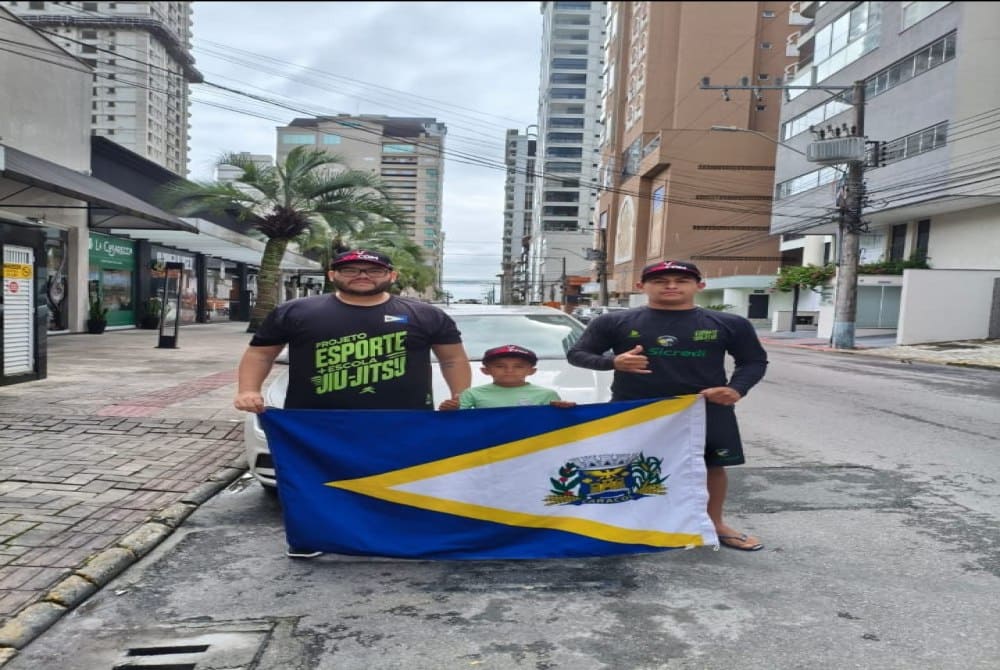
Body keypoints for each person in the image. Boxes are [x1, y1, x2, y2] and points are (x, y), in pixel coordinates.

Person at [234, 249, 472, 558]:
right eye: (351, 270)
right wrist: (248, 390)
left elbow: (452, 358)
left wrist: (461, 398)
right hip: (316, 422)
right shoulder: (295, 311)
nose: (362, 275)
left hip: (402, 420)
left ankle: (400, 538)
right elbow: (261, 353)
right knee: (315, 484)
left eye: (372, 270)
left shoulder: (425, 314)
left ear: (391, 276)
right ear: (332, 275)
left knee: (401, 480)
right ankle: (312, 538)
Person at [566, 260, 768, 552]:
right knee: (625, 467)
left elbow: (754, 361)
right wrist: (613, 361)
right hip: (635, 409)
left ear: (699, 286)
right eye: (661, 280)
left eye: (681, 280)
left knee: (710, 466)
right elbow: (578, 354)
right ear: (641, 287)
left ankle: (714, 524)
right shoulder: (613, 322)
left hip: (702, 409)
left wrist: (736, 389)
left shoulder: (729, 323)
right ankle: (621, 527)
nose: (671, 285)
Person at [439, 344, 576, 410]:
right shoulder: (472, 394)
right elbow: (457, 422)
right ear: (485, 370)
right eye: (500, 366)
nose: (509, 370)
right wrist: (449, 409)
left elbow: (556, 424)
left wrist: (563, 409)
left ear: (532, 371)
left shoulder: (547, 395)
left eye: (518, 366)